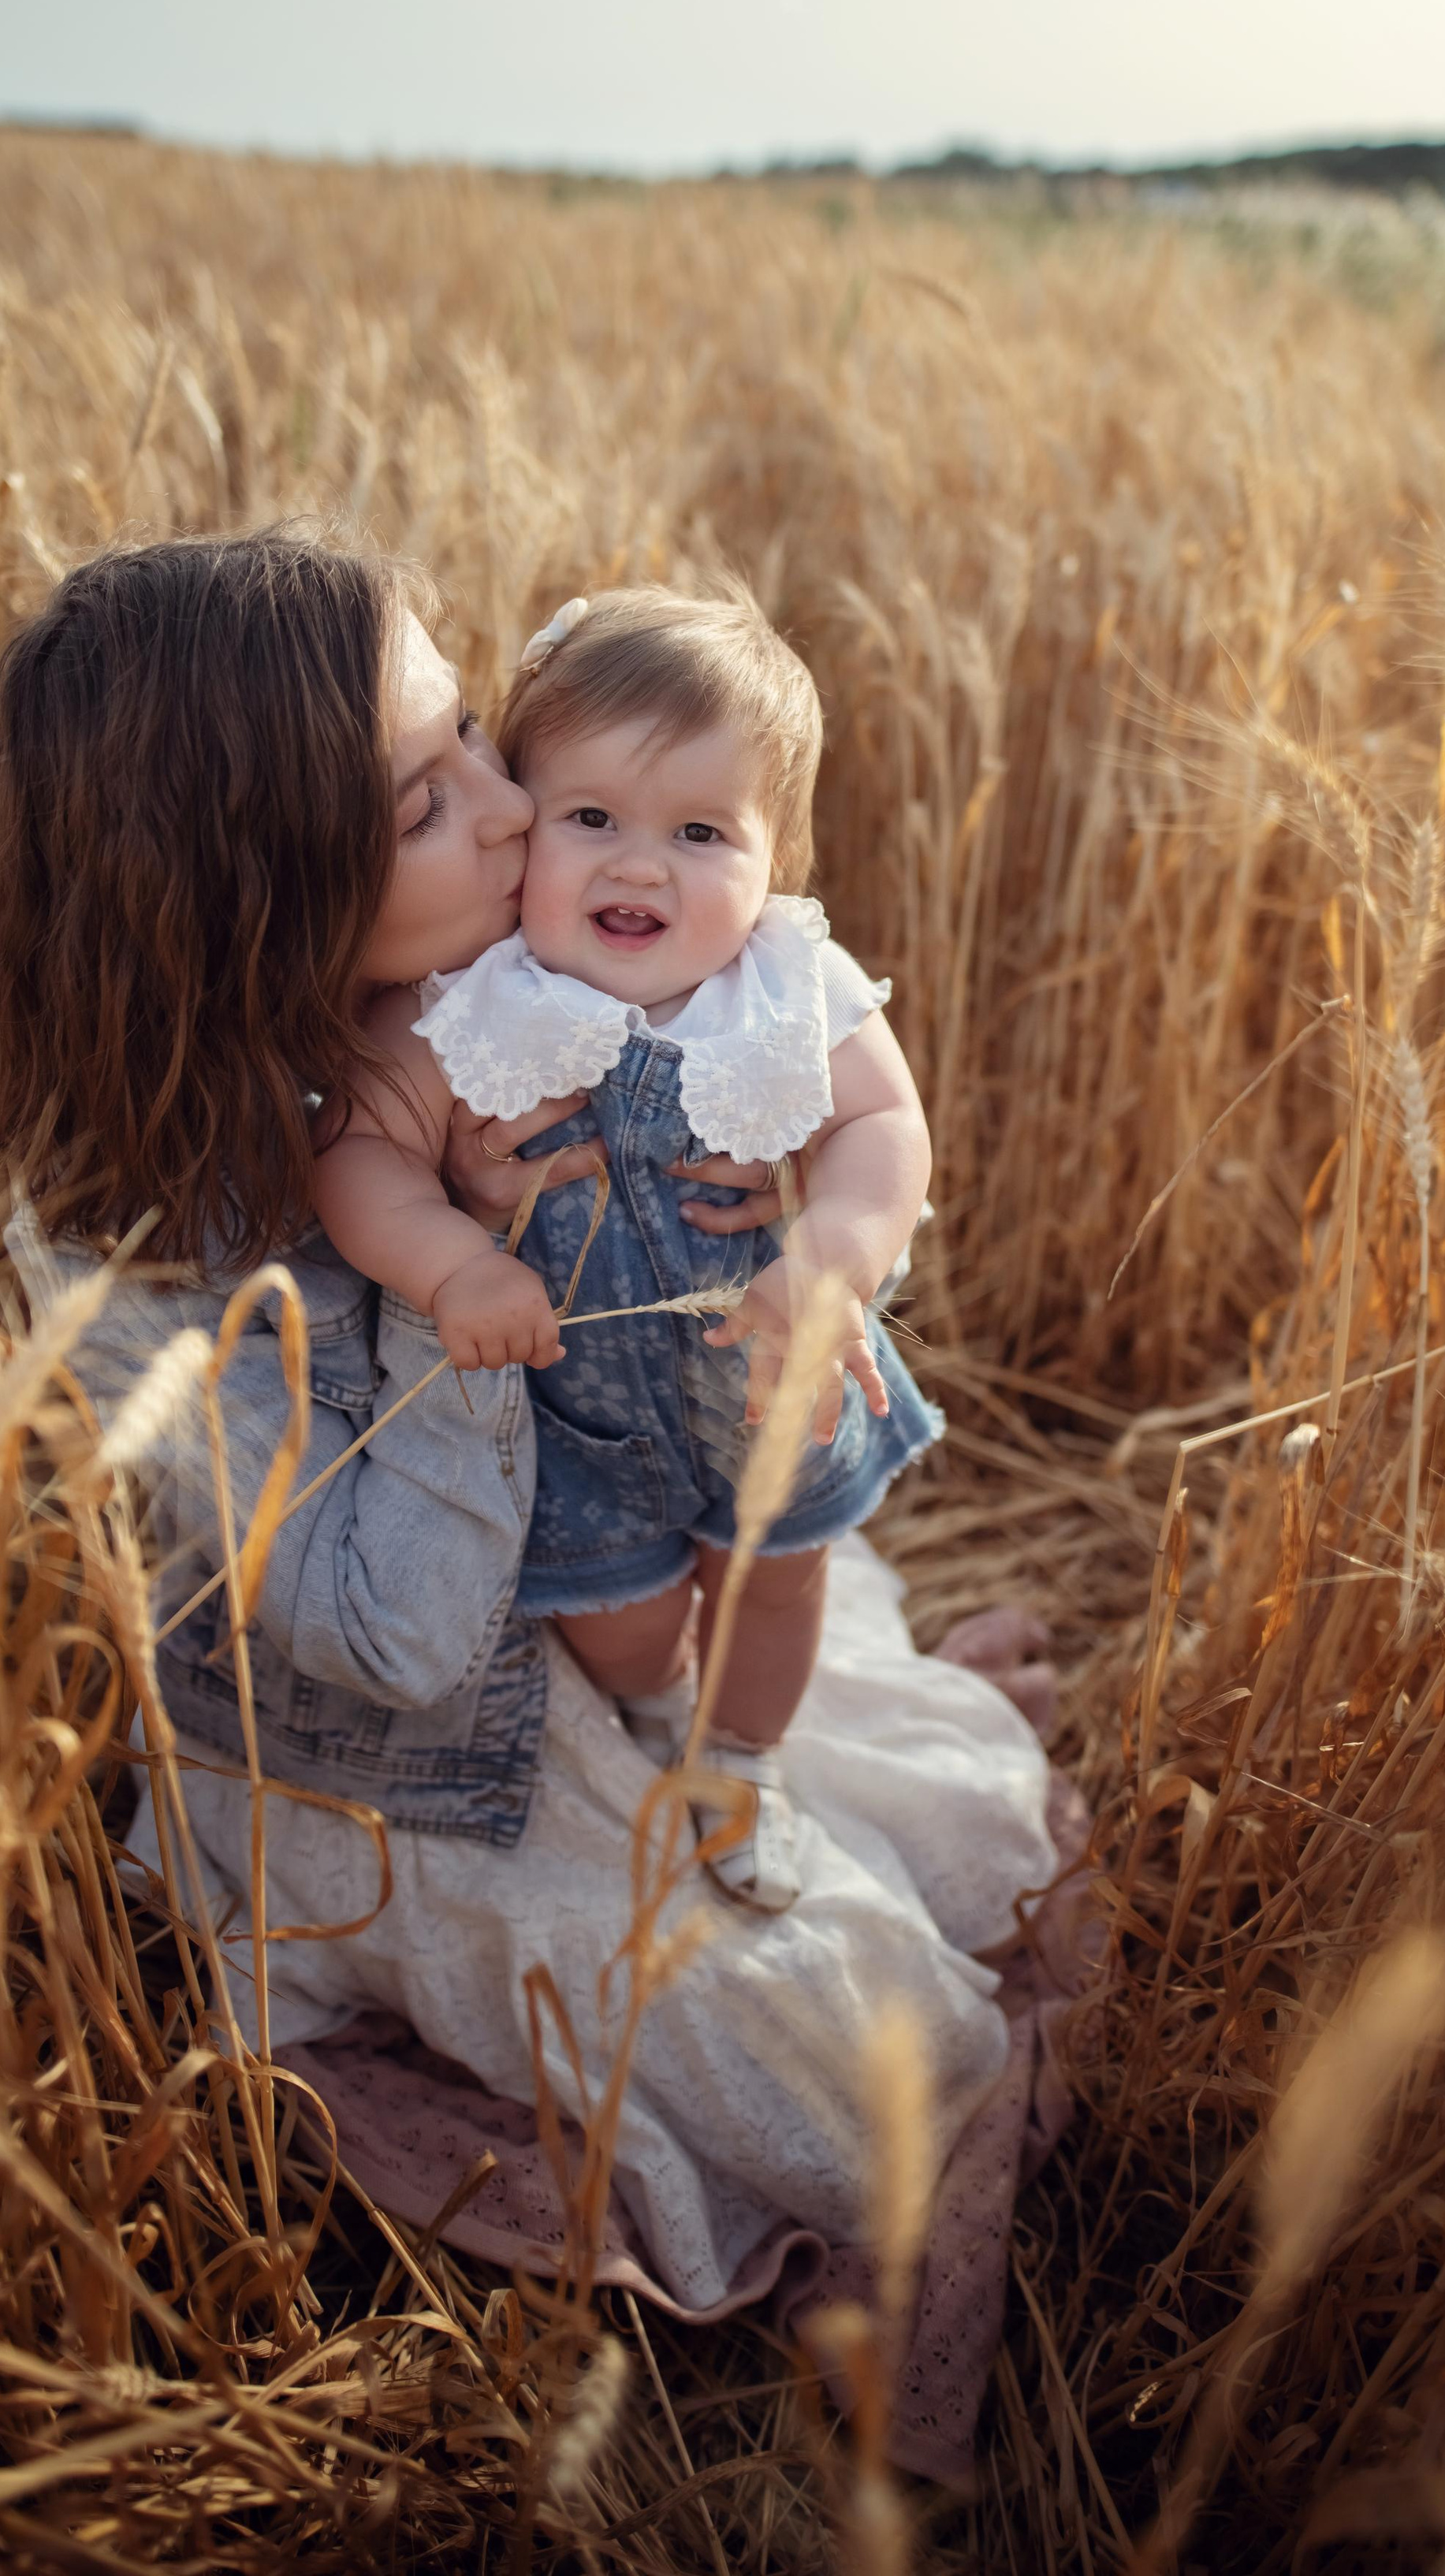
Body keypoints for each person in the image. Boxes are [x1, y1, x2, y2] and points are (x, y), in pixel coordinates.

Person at [0, 526, 1060, 2334]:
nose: (510, 807)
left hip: (588, 1599)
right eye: (420, 802)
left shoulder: (502, 992)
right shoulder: (130, 1268)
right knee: (876, 2080)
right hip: (391, 1763)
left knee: (903, 1820)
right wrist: (439, 1273)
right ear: (257, 884)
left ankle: (697, 1751)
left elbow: (841, 1110)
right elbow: (394, 1637)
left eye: (471, 731)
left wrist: (799, 1245)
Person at [313, 586, 940, 1912]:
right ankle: (659, 1703)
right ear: (522, 813)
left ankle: (740, 1756)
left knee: (773, 1581)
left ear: (779, 859)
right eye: (590, 818)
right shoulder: (466, 1005)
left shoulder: (789, 987)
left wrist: (832, 1251)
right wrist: (450, 1261)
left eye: (702, 832)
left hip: (768, 1377)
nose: (640, 865)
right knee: (619, 1614)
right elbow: (359, 1159)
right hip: (575, 1404)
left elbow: (888, 1123)